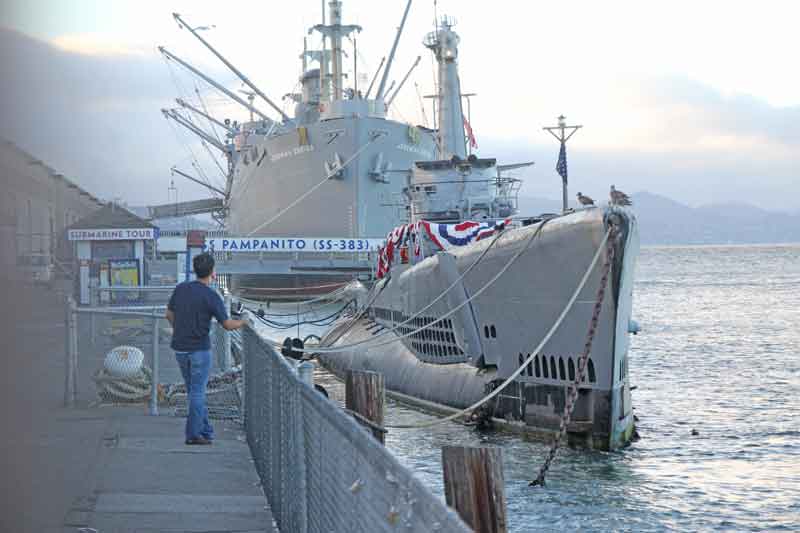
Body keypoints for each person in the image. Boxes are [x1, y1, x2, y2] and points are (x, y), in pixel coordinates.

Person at [165, 253, 244, 445]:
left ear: (195, 269)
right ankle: (193, 435)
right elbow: (227, 324)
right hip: (200, 349)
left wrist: (179, 329)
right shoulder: (211, 296)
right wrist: (245, 322)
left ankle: (206, 430)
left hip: (180, 349)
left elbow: (168, 314)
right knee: (198, 392)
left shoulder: (181, 289)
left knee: (194, 391)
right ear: (212, 272)